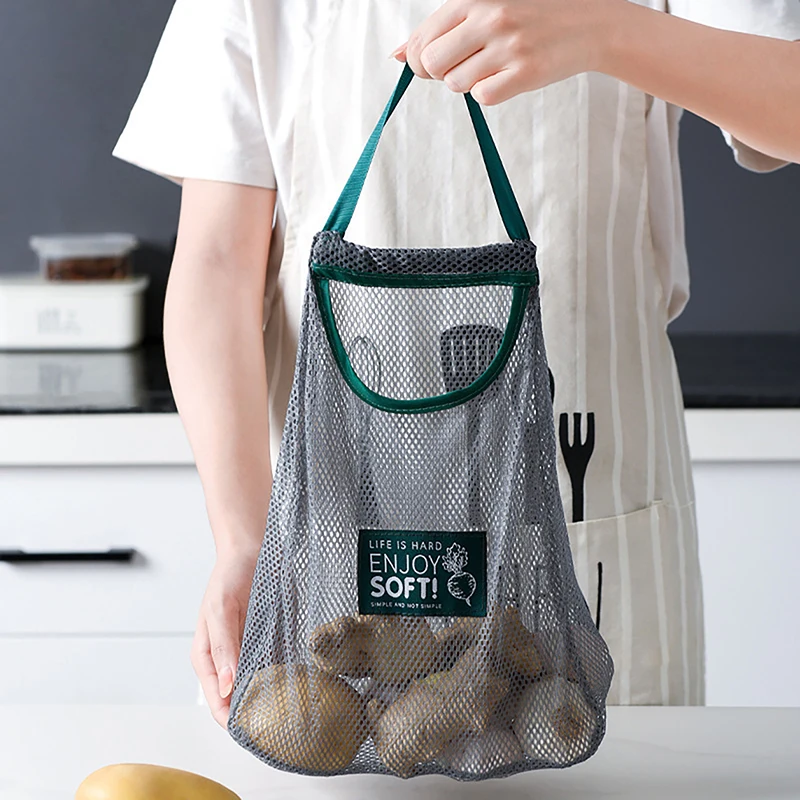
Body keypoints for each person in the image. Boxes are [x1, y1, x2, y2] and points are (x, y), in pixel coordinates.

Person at [113, 0, 800, 727]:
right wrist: (243, 539)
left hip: (589, 519)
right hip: (333, 552)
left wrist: (604, 30)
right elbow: (218, 262)